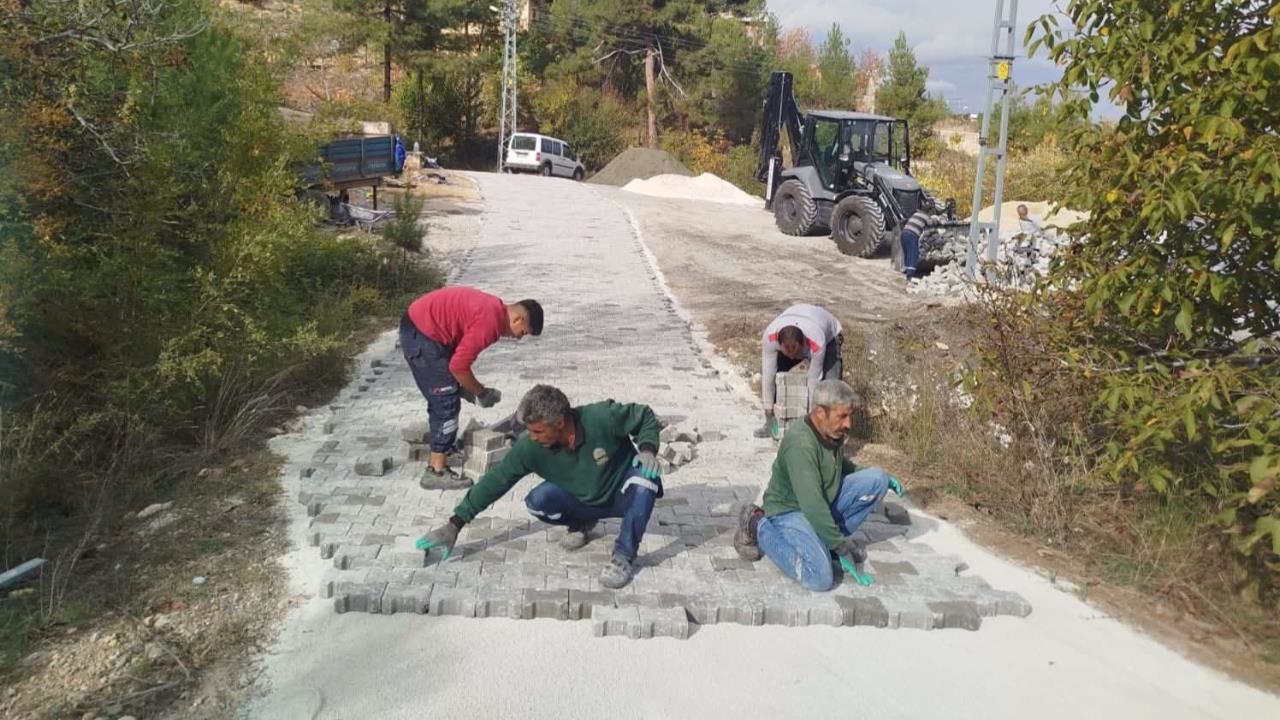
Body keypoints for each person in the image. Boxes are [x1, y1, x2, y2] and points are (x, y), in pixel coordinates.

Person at [415, 385, 663, 589]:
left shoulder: (601, 417)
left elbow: (644, 416)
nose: (532, 437)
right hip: (585, 500)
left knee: (645, 478)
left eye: (537, 431)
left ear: (560, 423)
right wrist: (454, 524)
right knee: (538, 501)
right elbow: (497, 480)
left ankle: (623, 556)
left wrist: (648, 449)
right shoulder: (530, 448)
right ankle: (581, 524)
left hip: (622, 495)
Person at [733, 380, 905, 591]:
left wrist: (882, 478)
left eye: (850, 416)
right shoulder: (801, 444)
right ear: (820, 413)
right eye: (842, 416)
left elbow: (839, 466)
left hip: (818, 502)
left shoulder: (831, 433)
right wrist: (841, 548)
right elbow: (812, 505)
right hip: (789, 511)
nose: (848, 424)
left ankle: (825, 542)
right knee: (820, 578)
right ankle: (756, 524)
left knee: (877, 479)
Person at [400, 286, 543, 489]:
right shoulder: (490, 322)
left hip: (424, 328)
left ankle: (440, 453)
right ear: (518, 319)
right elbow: (458, 366)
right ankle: (436, 472)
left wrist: (465, 388)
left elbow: (458, 354)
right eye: (523, 333)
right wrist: (480, 392)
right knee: (446, 402)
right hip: (422, 333)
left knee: (446, 390)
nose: (518, 338)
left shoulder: (494, 308)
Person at [753, 304, 843, 439]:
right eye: (786, 350)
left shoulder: (816, 341)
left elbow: (814, 381)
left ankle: (830, 432)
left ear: (802, 345)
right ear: (779, 344)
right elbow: (768, 377)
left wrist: (812, 421)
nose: (791, 356)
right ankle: (774, 424)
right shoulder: (770, 338)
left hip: (829, 335)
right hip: (797, 318)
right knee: (780, 378)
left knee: (830, 386)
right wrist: (769, 412)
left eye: (794, 351)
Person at [898, 209, 936, 280]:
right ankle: (910, 276)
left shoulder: (916, 214)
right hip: (912, 235)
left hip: (903, 234)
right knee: (913, 255)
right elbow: (931, 225)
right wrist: (936, 220)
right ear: (929, 212)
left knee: (907, 254)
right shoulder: (926, 217)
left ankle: (906, 271)